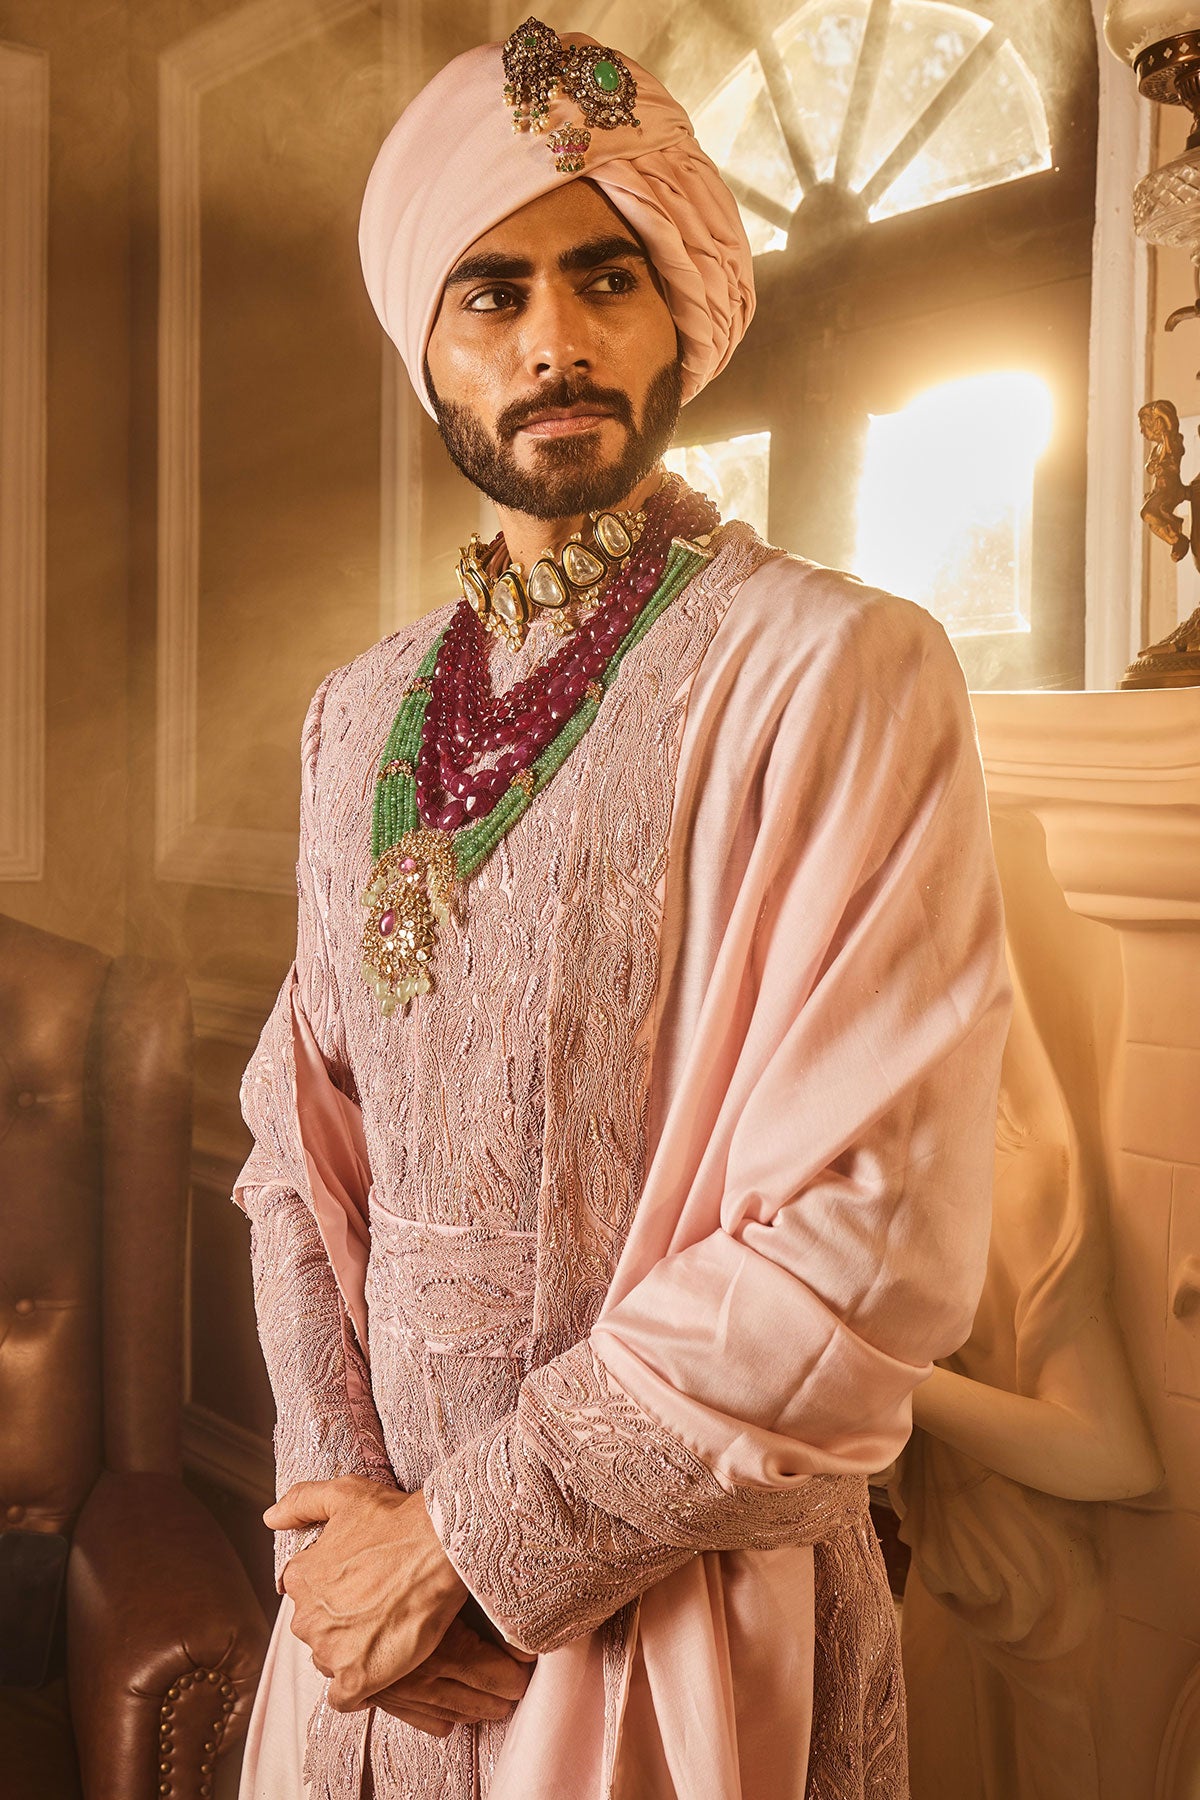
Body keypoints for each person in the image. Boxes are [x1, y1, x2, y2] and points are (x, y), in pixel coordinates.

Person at [233, 20, 1012, 1800]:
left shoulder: (837, 672)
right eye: (490, 295)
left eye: (606, 278)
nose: (556, 342)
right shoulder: (358, 712)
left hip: (670, 1609)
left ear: (684, 314)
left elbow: (867, 1233)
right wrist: (338, 1533)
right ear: (427, 343)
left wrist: (471, 1552)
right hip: (372, 1641)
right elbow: (298, 1139)